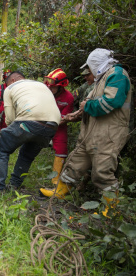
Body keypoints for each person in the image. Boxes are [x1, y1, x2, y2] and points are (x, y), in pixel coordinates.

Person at [39, 49, 132, 217]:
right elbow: (87, 104)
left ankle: (111, 208)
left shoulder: (118, 75)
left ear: (96, 64)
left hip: (109, 134)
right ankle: (60, 191)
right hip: (92, 132)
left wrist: (86, 106)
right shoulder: (102, 77)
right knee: (75, 161)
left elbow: (111, 102)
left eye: (89, 67)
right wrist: (72, 115)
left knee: (102, 171)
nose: (88, 72)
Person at [0, 72, 61, 193]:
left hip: (29, 121)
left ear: (12, 80)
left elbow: (9, 119)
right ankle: (14, 186)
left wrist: (16, 137)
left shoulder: (10, 88)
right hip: (52, 125)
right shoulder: (41, 85)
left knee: (2, 149)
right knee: (26, 156)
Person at [43, 69, 74, 185]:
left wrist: (52, 122)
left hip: (58, 126)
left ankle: (55, 179)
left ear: (61, 87)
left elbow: (64, 118)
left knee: (61, 148)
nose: (50, 89)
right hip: (42, 123)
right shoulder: (44, 93)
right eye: (49, 87)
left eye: (53, 87)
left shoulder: (69, 98)